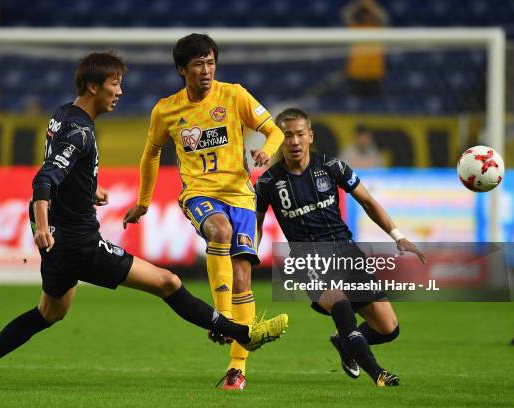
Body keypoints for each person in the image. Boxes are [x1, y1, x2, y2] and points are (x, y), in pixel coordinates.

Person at [0, 52, 288, 390]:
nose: (120, 92)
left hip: (59, 240)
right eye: (115, 84)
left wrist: (87, 191)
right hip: (79, 243)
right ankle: (244, 333)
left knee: (49, 312)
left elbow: (63, 168)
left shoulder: (62, 115)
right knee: (167, 282)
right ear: (94, 87)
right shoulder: (81, 131)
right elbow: (45, 179)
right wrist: (40, 227)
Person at [123, 33, 285, 390]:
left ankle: (236, 368)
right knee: (219, 231)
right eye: (198, 64)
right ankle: (222, 316)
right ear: (183, 69)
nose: (206, 70)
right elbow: (150, 154)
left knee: (243, 276)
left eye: (211, 62)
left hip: (241, 196)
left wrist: (267, 150)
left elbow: (274, 131)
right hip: (199, 193)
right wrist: (144, 201)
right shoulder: (166, 110)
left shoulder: (234, 94)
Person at [255, 108, 426, 387]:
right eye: (287, 136)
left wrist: (398, 236)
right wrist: (250, 253)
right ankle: (378, 373)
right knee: (340, 303)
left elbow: (368, 202)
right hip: (308, 260)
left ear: (311, 136)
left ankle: (343, 342)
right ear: (278, 140)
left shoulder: (332, 167)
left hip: (347, 253)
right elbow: (256, 223)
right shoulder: (268, 183)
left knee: (388, 328)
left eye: (300, 134)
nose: (294, 142)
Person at [342, 0, 389, 98]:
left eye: (369, 14)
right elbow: (346, 14)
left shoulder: (377, 29)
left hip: (374, 73)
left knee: (375, 105)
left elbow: (384, 18)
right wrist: (360, 3)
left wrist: (370, 5)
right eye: (364, 13)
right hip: (357, 73)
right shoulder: (356, 28)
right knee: (355, 104)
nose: (367, 16)